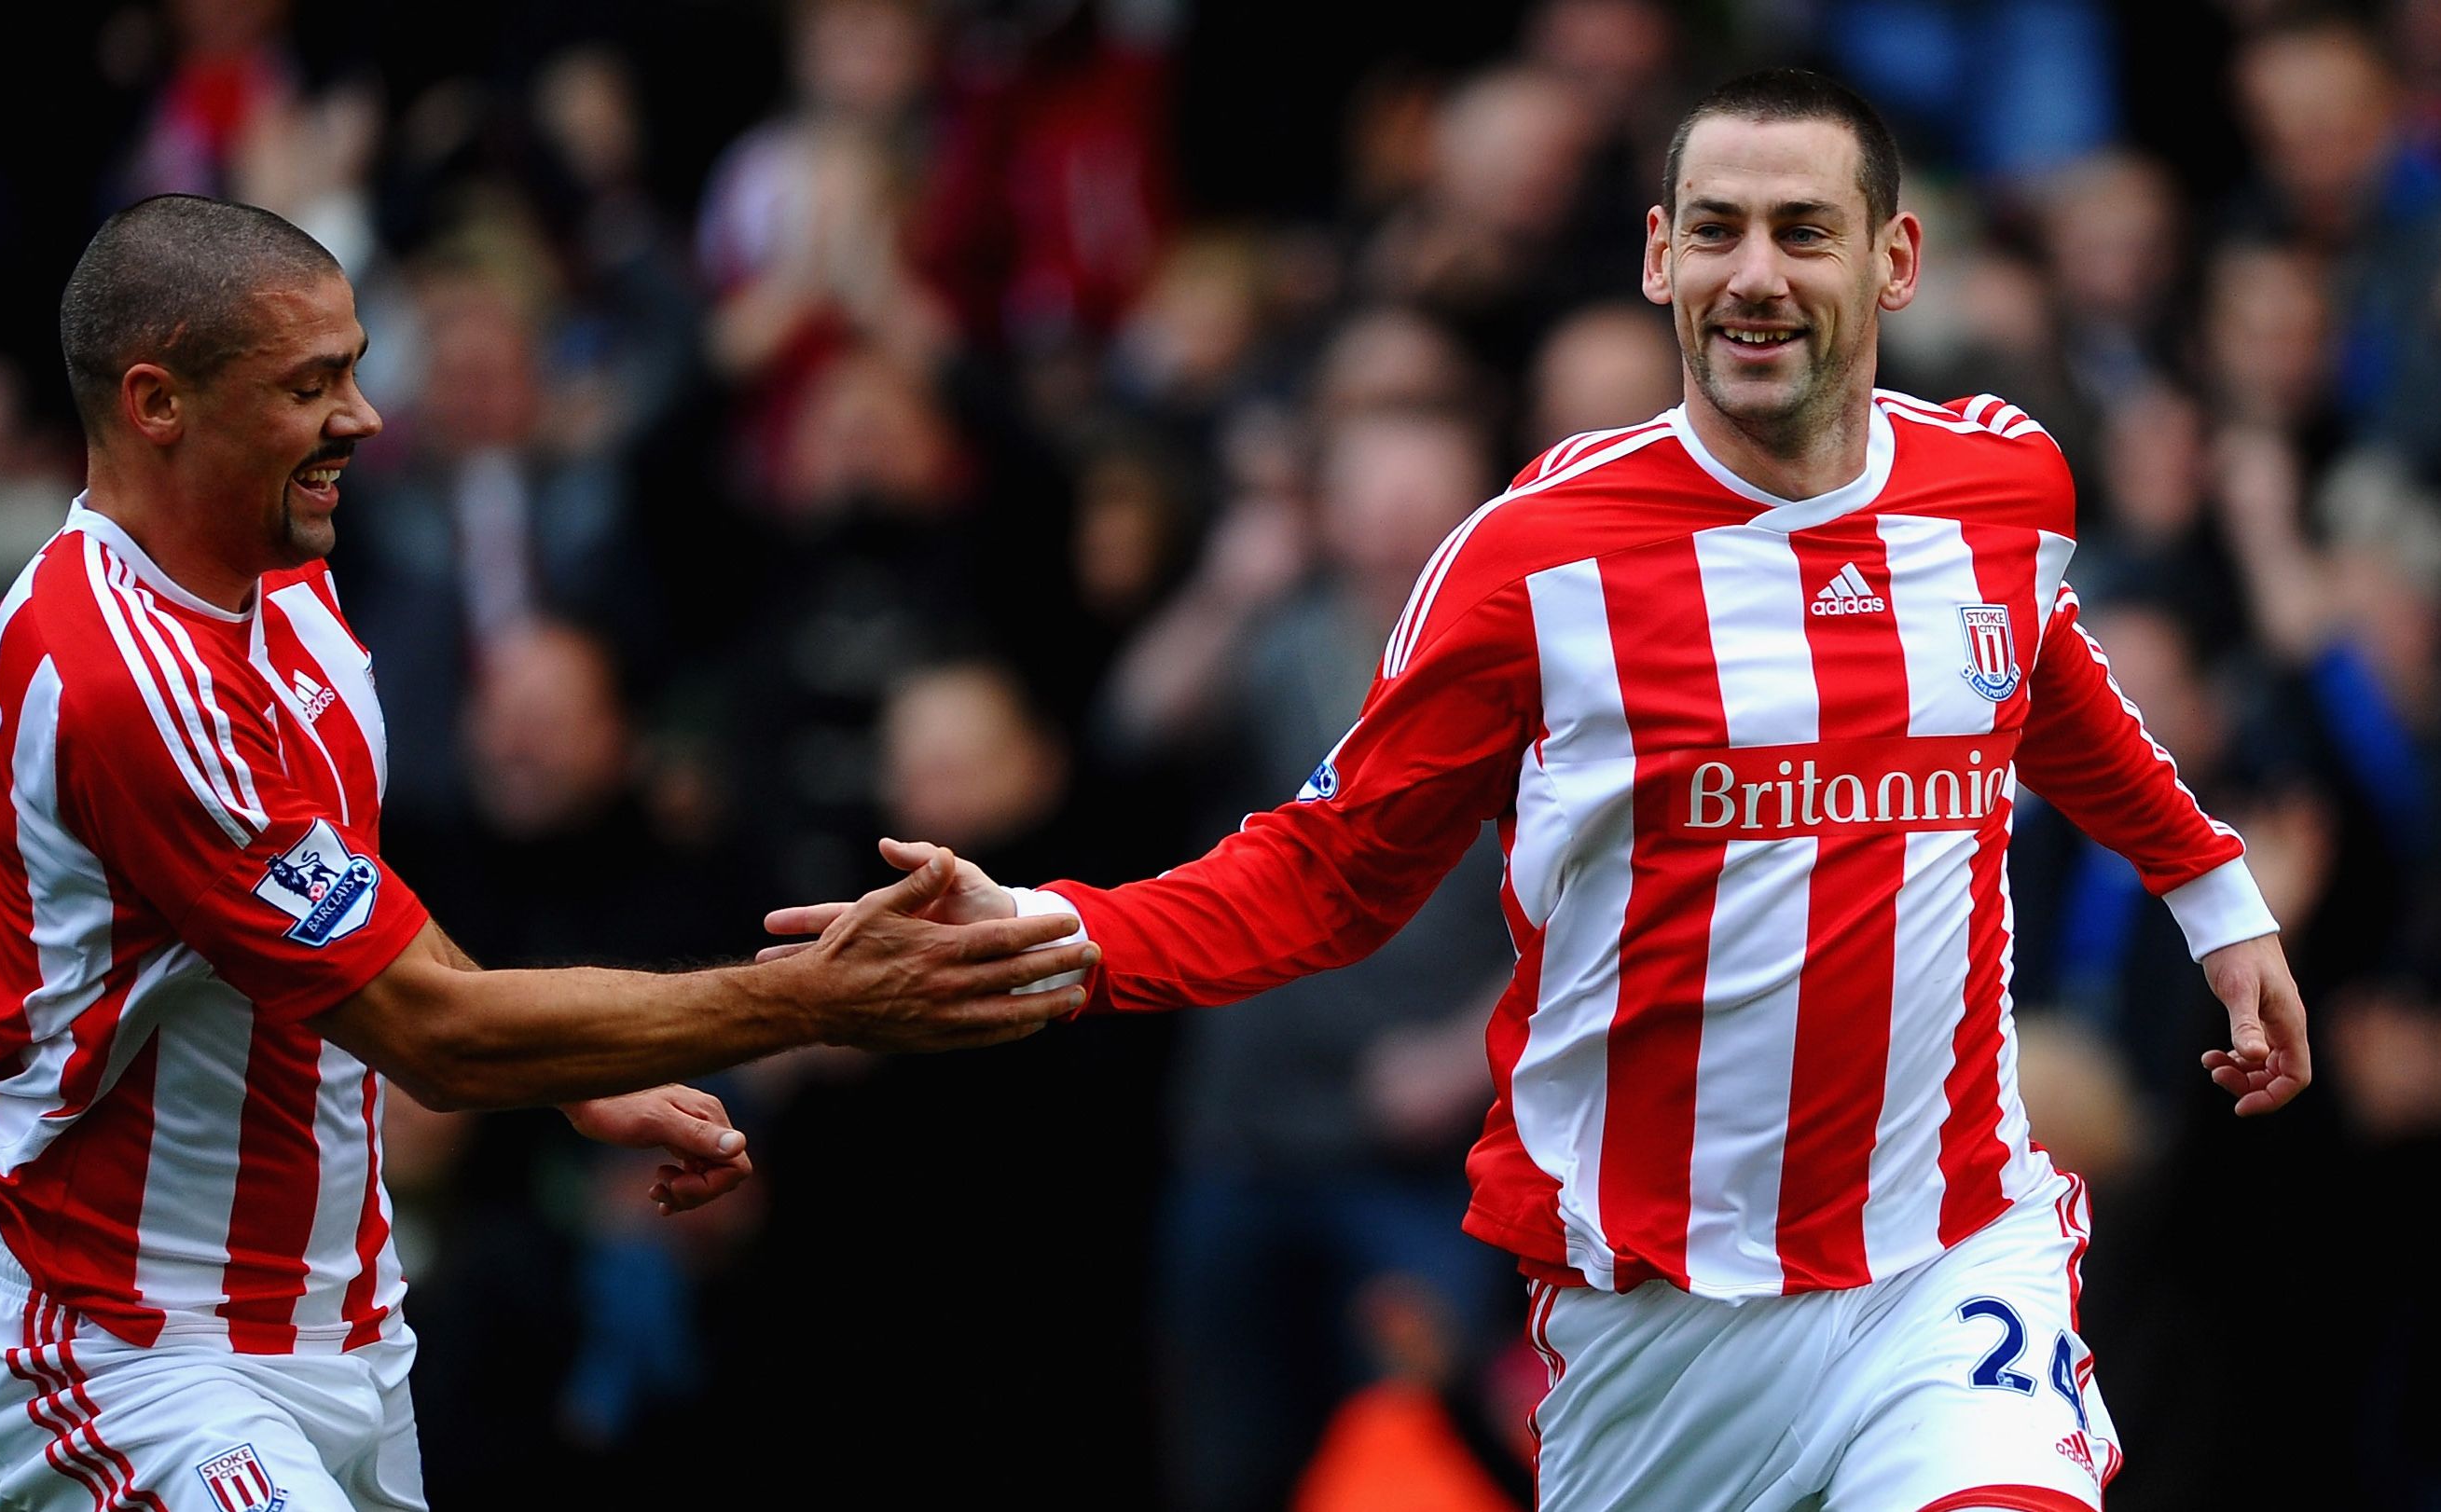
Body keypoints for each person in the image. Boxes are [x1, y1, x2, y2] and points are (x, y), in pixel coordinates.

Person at [768, 71, 2312, 1511]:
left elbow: (2040, 678)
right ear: (1657, 257)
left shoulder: (1999, 486)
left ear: (1895, 262)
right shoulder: (1532, 564)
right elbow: (1327, 870)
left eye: (1803, 231)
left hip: (1947, 1253)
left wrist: (2213, 893)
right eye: (1714, 230)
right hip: (1655, 1323)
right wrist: (1055, 925)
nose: (1754, 274)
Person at [0, 194, 1096, 1512]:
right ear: (158, 404)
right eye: (310, 385)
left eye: (359, 370)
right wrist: (815, 997)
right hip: (136, 1346)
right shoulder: (119, 680)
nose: (364, 420)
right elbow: (435, 1031)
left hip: (335, 1321)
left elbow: (352, 917)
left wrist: (567, 1072)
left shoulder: (278, 578)